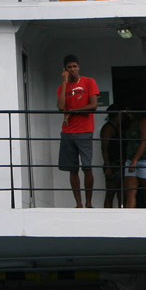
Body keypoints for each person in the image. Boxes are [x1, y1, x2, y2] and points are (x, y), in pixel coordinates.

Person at [56, 54, 99, 208]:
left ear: (78, 67)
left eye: (75, 66)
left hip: (85, 130)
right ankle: (79, 204)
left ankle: (88, 203)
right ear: (65, 70)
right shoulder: (62, 87)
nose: (73, 69)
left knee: (87, 167)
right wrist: (64, 82)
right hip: (67, 131)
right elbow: (61, 107)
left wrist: (73, 111)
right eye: (69, 67)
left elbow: (93, 105)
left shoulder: (89, 82)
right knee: (72, 169)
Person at [123, 99, 146, 208]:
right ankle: (128, 217)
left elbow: (145, 142)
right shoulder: (133, 122)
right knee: (130, 192)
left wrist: (135, 160)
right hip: (131, 160)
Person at [99, 103, 126, 208]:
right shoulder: (108, 128)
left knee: (122, 194)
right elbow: (104, 148)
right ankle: (107, 215)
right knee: (110, 193)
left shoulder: (118, 127)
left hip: (121, 163)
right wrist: (108, 166)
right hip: (113, 164)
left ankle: (120, 213)